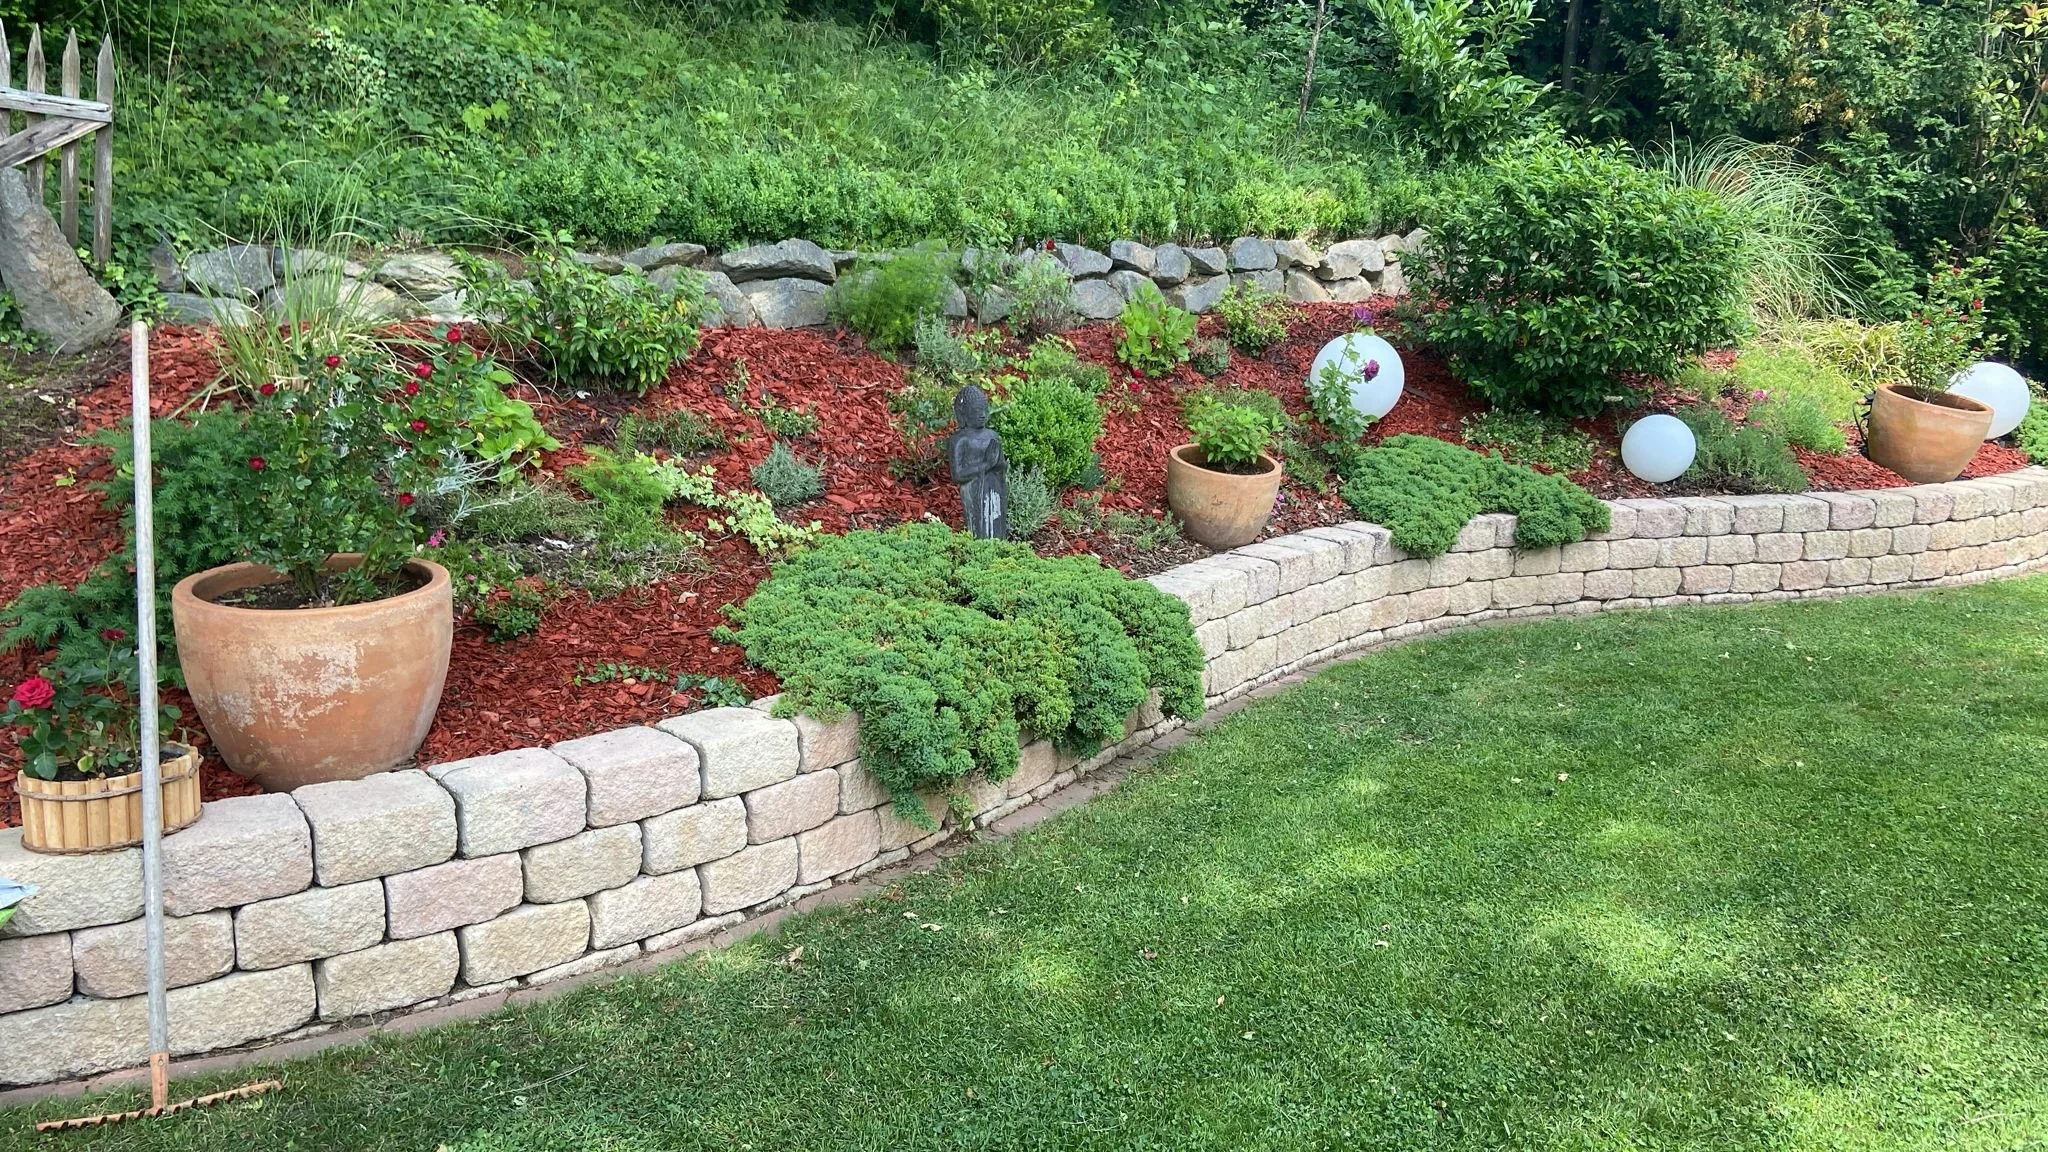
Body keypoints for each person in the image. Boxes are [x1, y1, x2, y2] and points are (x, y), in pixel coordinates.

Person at [946, 384, 1009, 540]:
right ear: (965, 414)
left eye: (984, 410)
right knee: (980, 526)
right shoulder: (960, 440)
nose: (981, 415)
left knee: (996, 522)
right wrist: (986, 465)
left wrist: (998, 464)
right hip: (974, 489)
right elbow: (958, 475)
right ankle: (978, 553)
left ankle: (1000, 553)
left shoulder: (992, 435)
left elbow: (1001, 466)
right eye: (976, 411)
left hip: (994, 487)